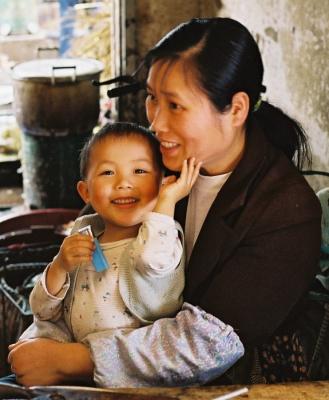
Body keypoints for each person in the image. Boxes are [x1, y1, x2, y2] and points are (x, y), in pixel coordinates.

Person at [5, 17, 321, 386]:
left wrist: (76, 360)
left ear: (236, 109)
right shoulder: (152, 162)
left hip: (215, 384)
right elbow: (90, 259)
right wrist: (45, 336)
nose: (155, 122)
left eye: (175, 105)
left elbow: (206, 344)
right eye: (152, 98)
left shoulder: (284, 212)